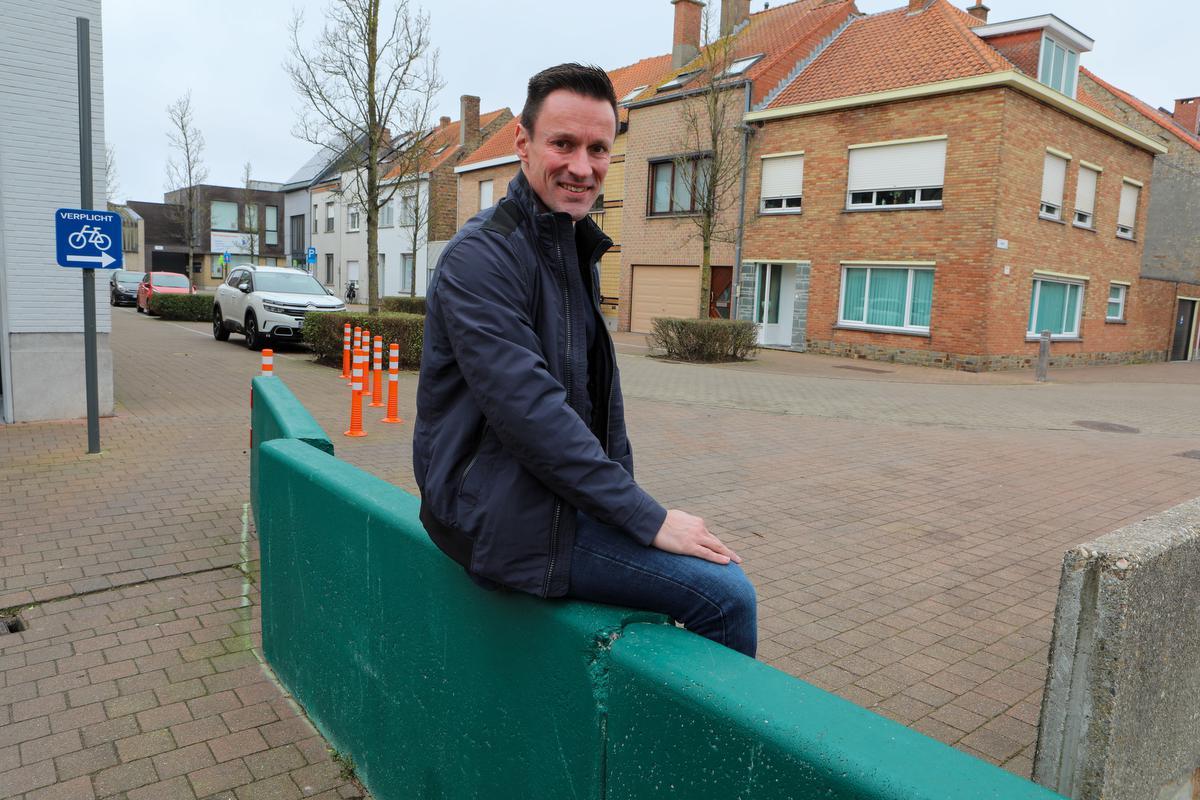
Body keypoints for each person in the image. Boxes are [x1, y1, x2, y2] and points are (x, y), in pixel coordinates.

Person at [412, 64, 756, 657]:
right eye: (563, 144)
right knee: (725, 595)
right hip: (498, 520)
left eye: (598, 149)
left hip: (548, 500)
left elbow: (595, 404)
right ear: (523, 143)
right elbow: (533, 414)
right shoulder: (481, 259)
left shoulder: (570, 246)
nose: (582, 167)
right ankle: (672, 754)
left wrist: (625, 509)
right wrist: (646, 520)